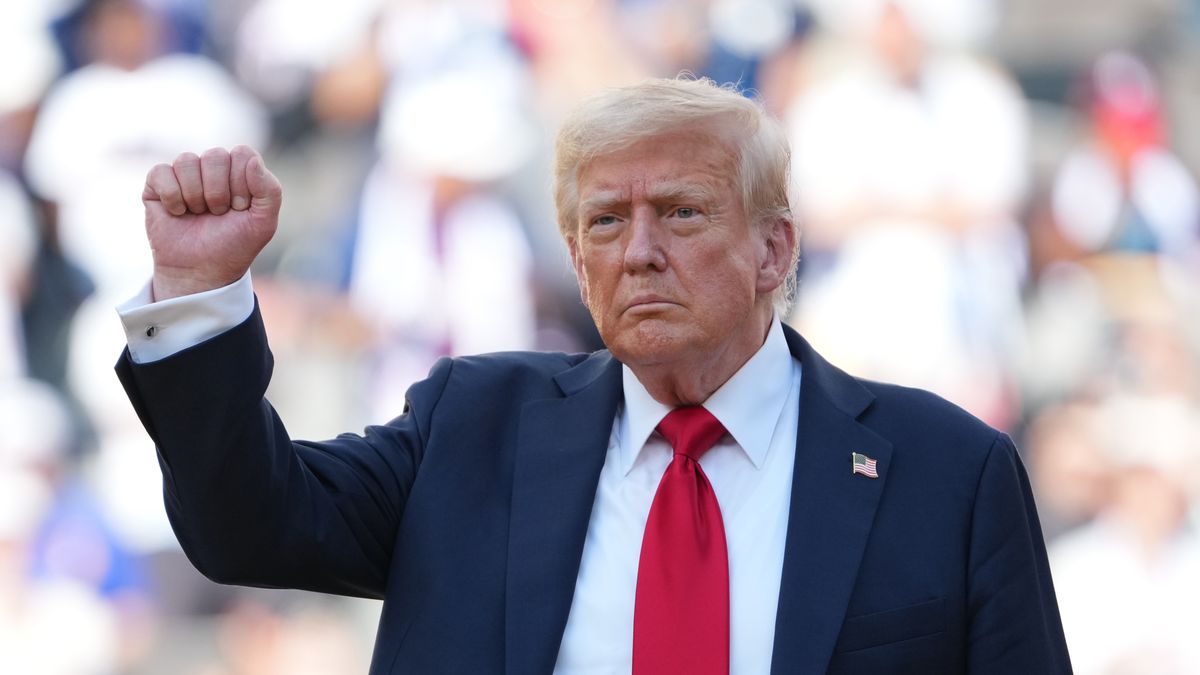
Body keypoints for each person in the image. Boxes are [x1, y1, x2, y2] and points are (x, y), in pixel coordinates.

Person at [114, 78, 1070, 673]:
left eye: (683, 213)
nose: (639, 252)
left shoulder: (946, 471)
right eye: (606, 222)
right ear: (576, 263)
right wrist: (201, 295)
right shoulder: (474, 426)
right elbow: (246, 526)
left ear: (773, 249)